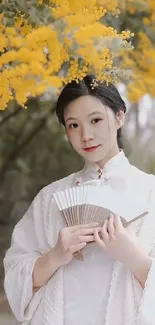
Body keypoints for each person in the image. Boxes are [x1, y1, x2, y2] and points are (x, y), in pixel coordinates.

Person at [3, 75, 155, 325]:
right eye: (73, 125)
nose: (86, 135)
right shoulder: (50, 198)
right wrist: (54, 256)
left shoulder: (150, 191)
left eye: (95, 120)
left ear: (120, 116)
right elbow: (16, 276)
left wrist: (134, 258)